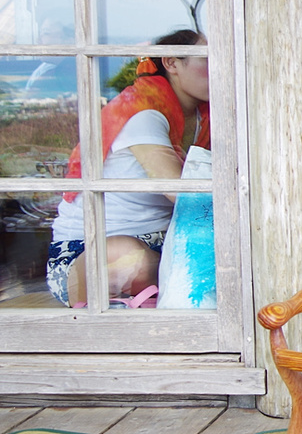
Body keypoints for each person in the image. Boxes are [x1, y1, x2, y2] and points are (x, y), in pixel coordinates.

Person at [47, 29, 211, 308]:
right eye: (206, 59)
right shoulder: (142, 113)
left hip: (169, 240)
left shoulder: (205, 117)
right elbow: (182, 191)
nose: (218, 68)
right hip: (89, 252)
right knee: (130, 257)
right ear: (172, 64)